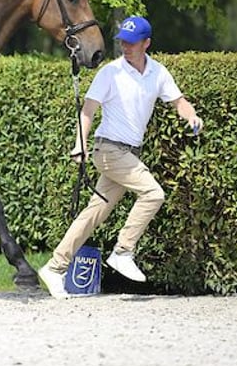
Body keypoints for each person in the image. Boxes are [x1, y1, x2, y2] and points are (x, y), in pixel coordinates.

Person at [39, 16, 203, 299]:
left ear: (146, 43)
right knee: (153, 194)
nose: (125, 47)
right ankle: (123, 251)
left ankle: (55, 268)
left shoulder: (158, 73)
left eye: (132, 43)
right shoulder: (110, 73)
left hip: (128, 153)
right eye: (122, 42)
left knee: (94, 214)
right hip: (108, 150)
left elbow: (179, 102)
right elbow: (88, 109)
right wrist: (80, 143)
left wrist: (192, 116)